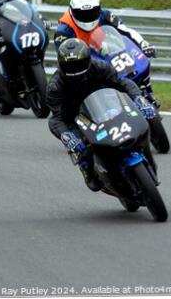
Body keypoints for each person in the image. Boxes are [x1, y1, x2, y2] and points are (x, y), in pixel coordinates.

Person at [47, 38, 156, 192]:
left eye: (78, 64)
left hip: (105, 105)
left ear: (88, 59)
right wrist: (67, 136)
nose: (75, 70)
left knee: (139, 121)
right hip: (76, 118)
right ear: (61, 65)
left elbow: (123, 83)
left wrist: (139, 99)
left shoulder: (101, 67)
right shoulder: (55, 87)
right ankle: (87, 169)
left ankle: (144, 153)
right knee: (82, 150)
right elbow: (56, 119)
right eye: (70, 66)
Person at [54, 0, 156, 57]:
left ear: (99, 9)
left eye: (92, 13)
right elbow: (62, 57)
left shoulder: (104, 14)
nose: (88, 17)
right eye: (82, 14)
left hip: (102, 56)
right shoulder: (63, 30)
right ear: (72, 12)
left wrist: (143, 43)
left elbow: (125, 30)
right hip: (78, 64)